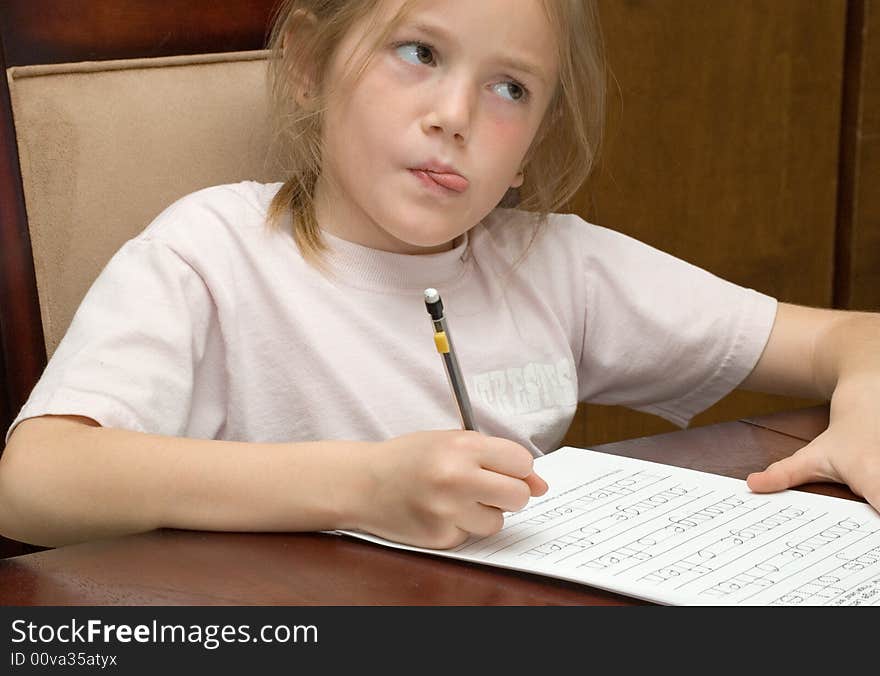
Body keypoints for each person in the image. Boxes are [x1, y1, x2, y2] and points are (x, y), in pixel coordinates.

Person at [0, 0, 878, 551]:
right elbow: (32, 482)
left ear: (535, 141)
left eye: (510, 89)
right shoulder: (210, 254)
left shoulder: (555, 264)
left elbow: (857, 338)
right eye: (418, 52)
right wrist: (364, 485)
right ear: (310, 64)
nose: (455, 116)